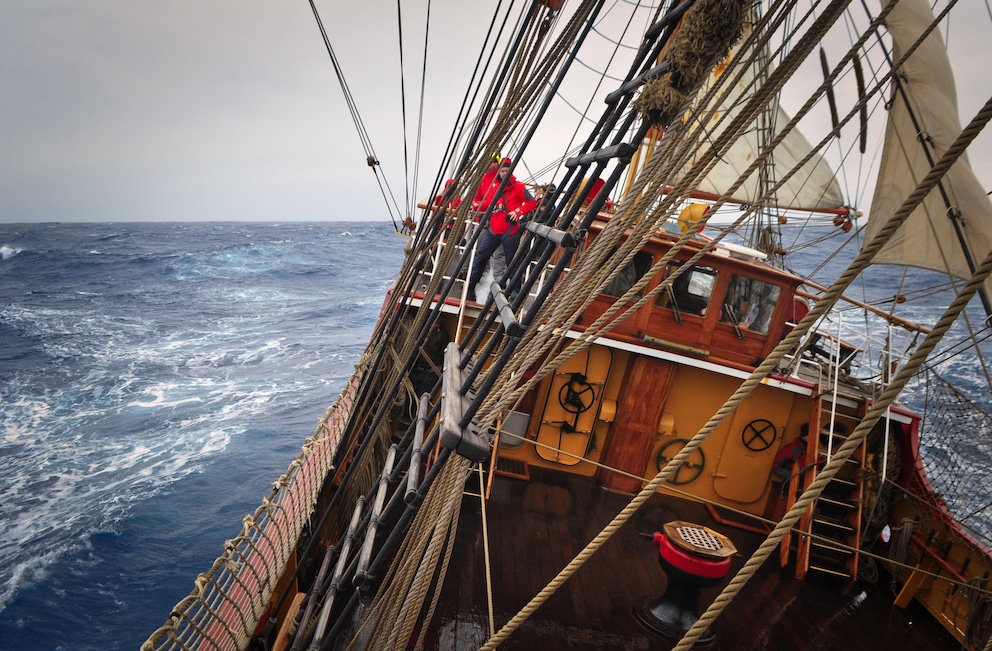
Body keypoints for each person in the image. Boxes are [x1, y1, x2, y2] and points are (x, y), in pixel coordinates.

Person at [466, 158, 537, 302]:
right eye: (502, 171)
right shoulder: (496, 187)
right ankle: (472, 284)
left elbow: (532, 202)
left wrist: (518, 212)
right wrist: (476, 205)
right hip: (494, 230)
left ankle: (516, 292)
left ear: (511, 171)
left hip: (510, 232)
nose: (504, 173)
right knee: (481, 256)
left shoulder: (519, 187)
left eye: (506, 171)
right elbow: (488, 203)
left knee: (512, 262)